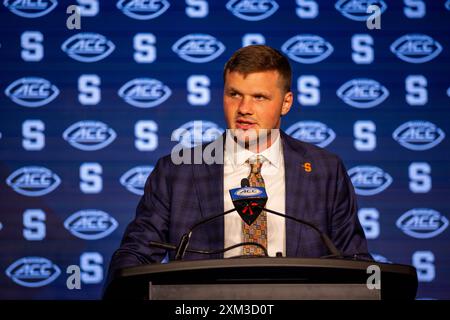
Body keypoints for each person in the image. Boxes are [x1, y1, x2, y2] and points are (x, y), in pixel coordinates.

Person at [106, 45, 370, 281]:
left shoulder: (325, 170)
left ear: (286, 103)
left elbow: (353, 259)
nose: (244, 108)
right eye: (234, 94)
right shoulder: (178, 171)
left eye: (259, 97)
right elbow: (136, 254)